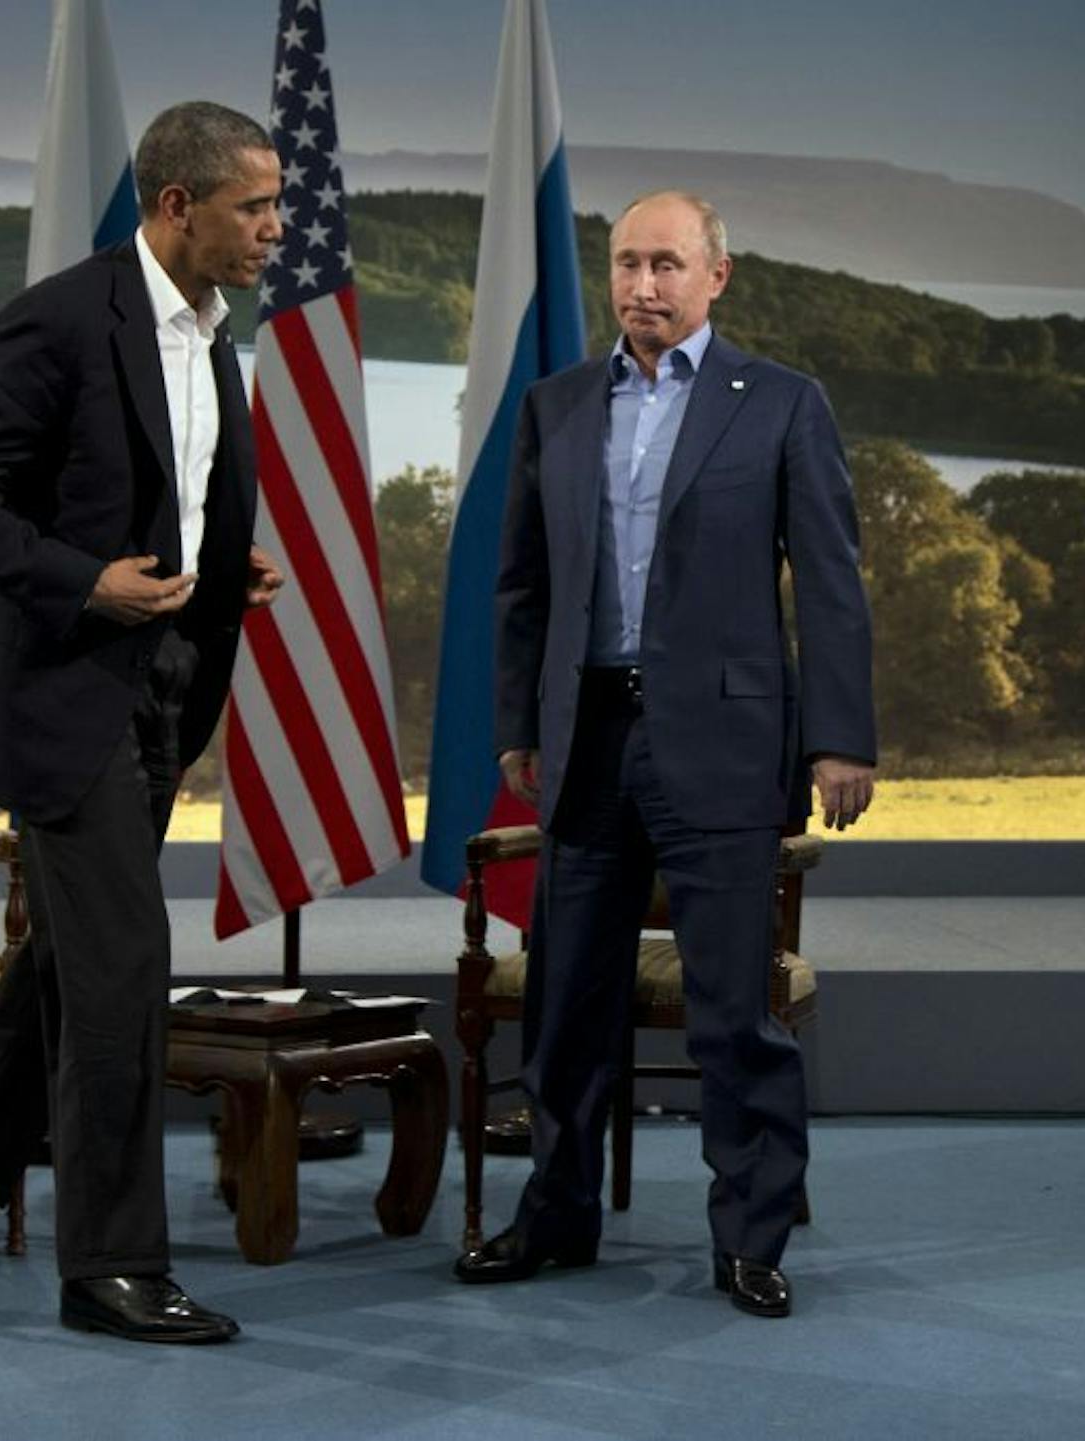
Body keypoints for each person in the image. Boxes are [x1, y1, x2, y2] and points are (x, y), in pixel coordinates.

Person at [0, 101, 286, 1345]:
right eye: (255, 207)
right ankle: (109, 1266)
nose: (277, 228)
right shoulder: (63, 317)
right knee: (123, 963)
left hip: (166, 679)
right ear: (177, 206)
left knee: (71, 953)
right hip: (61, 692)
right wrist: (83, 578)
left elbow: (169, 485)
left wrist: (229, 569)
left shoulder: (219, 332)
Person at [454, 190, 877, 1318]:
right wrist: (517, 727)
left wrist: (839, 737)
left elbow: (831, 584)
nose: (643, 285)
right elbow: (523, 584)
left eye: (667, 264)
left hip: (728, 746)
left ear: (716, 276)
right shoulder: (558, 405)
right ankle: (556, 1213)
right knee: (565, 1001)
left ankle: (750, 1237)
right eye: (628, 263)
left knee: (734, 1010)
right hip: (587, 739)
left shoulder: (782, 405)